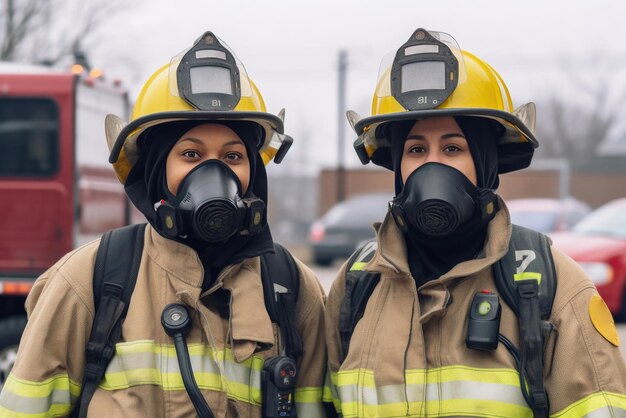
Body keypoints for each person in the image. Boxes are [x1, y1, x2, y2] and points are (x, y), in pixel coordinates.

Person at [0, 31, 328, 418]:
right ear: (157, 170)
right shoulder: (89, 279)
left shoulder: (290, 286)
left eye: (233, 155)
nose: (214, 172)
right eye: (191, 154)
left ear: (252, 173)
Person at [324, 28, 626, 417]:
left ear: (485, 163)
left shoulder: (550, 285)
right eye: (416, 149)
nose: (432, 166)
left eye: (453, 148)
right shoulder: (358, 283)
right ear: (397, 165)